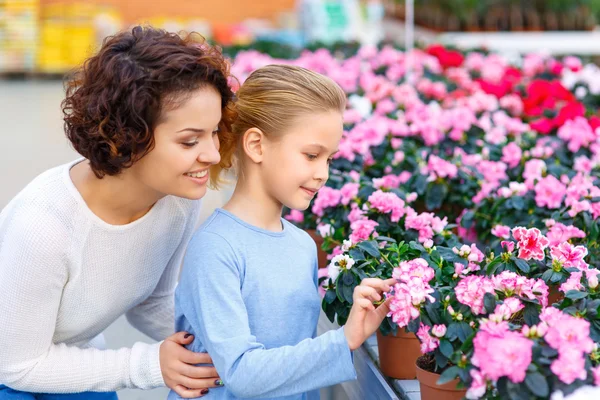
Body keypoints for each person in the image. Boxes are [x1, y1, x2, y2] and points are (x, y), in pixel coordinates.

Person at [0, 26, 234, 399]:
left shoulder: (179, 199)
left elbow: (152, 301)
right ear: (129, 135)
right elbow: (17, 365)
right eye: (190, 140)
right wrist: (148, 364)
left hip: (62, 358)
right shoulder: (43, 225)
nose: (212, 155)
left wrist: (225, 346)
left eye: (214, 133)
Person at [169, 64, 395, 400]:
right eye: (311, 155)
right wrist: (344, 338)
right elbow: (240, 373)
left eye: (329, 159)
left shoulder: (302, 244)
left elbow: (297, 375)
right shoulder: (215, 248)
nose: (322, 174)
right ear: (257, 145)